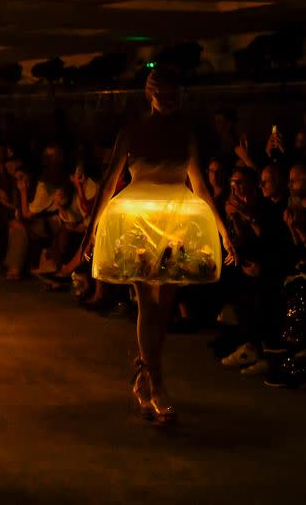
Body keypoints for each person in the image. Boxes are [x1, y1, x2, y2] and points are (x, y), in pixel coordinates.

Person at [82, 69, 236, 425]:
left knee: (163, 305)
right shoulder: (132, 131)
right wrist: (90, 232)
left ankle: (145, 377)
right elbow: (108, 182)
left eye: (173, 95)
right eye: (161, 95)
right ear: (149, 95)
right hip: (136, 222)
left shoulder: (185, 134)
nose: (168, 102)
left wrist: (224, 231)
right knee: (146, 304)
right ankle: (156, 382)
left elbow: (200, 185)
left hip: (175, 223)